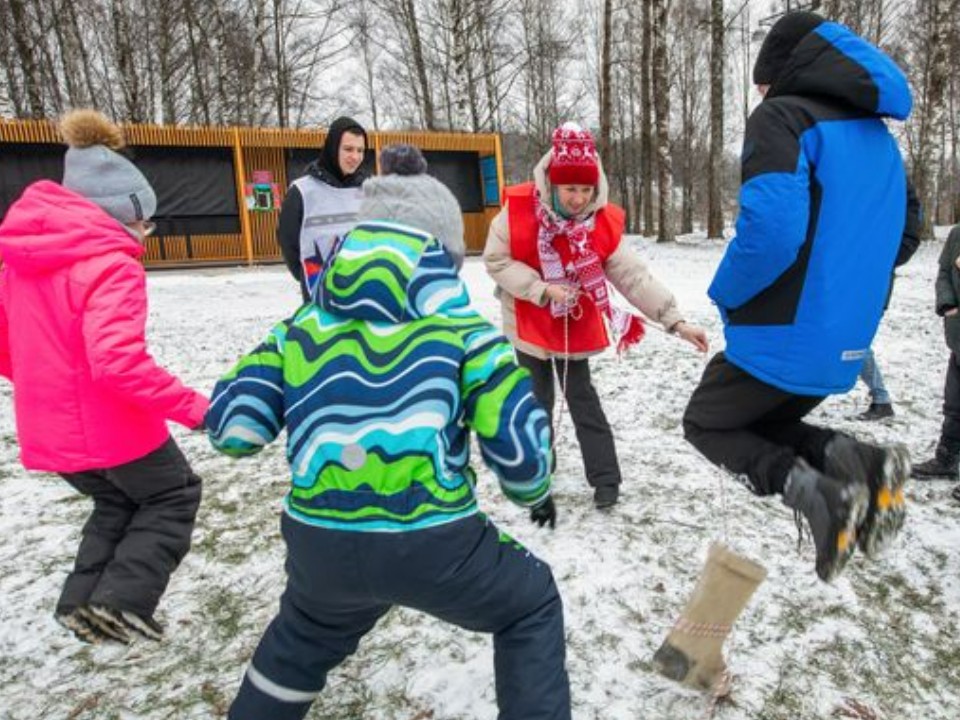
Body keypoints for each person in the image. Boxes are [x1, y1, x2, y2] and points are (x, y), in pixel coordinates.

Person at [208, 144, 571, 720]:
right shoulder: (463, 331)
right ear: (444, 253)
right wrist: (534, 491)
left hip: (320, 539)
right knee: (529, 603)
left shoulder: (302, 325)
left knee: (302, 640)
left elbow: (233, 428)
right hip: (432, 537)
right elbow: (520, 448)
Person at [682, 12, 918, 584]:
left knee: (706, 422)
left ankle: (823, 500)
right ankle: (863, 463)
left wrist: (727, 293)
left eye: (762, 82)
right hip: (845, 339)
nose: (761, 94)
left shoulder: (784, 117)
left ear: (783, 72)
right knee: (759, 424)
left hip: (784, 328)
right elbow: (906, 235)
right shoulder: (879, 141)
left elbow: (772, 232)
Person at [0, 110, 208, 643]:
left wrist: (50, 387)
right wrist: (196, 409)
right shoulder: (112, 264)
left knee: (116, 501)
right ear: (121, 215)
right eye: (144, 224)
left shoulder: (20, 261)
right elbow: (118, 362)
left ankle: (81, 604)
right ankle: (123, 602)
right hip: (111, 425)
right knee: (173, 494)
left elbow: (7, 347)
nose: (145, 236)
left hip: (48, 428)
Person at [483, 122, 708, 510]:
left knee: (582, 398)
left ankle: (606, 478)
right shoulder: (517, 210)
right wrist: (542, 289)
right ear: (553, 183)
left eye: (586, 190)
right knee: (536, 399)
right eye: (570, 189)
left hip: (574, 321)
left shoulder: (600, 222)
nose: (578, 199)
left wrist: (675, 321)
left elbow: (633, 277)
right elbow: (496, 260)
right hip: (529, 317)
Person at [277, 116, 369, 302]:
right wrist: (307, 276)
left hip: (361, 294)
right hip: (319, 294)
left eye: (360, 150)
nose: (355, 157)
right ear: (333, 148)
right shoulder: (302, 191)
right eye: (348, 149)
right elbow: (288, 241)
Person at [912, 223, 960, 495]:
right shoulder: (957, 234)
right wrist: (948, 303)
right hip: (958, 336)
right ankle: (946, 460)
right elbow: (944, 272)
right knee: (954, 403)